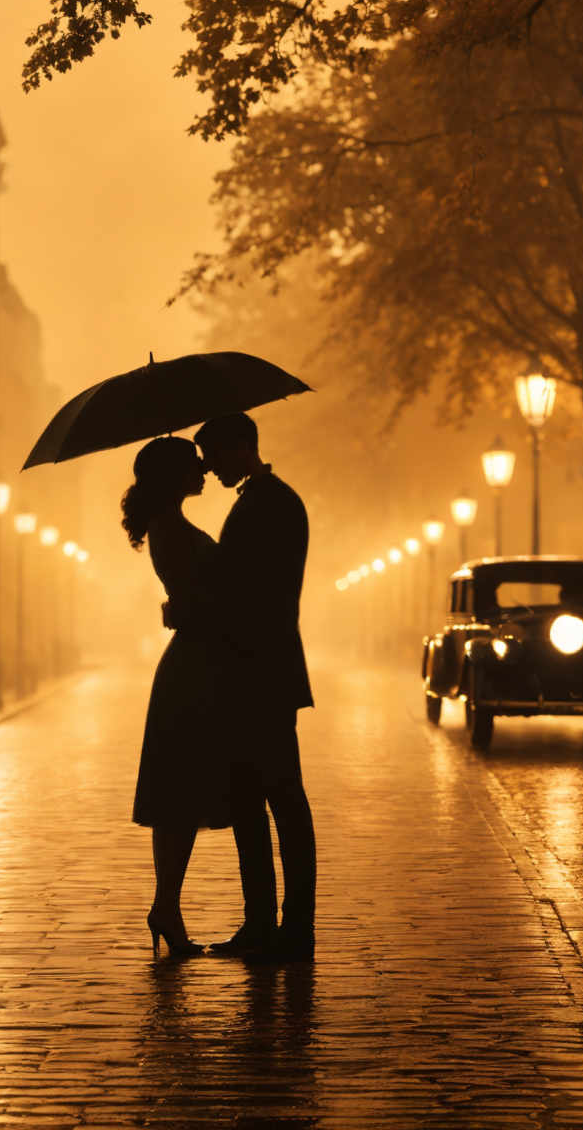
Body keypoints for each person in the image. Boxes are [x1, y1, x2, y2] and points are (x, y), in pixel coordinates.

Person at [193, 412, 317, 964]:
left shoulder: (268, 503)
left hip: (257, 669)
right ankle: (266, 921)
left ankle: (291, 925)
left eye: (213, 455)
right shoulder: (267, 499)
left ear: (240, 447)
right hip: (257, 667)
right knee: (252, 798)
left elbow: (250, 590)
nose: (209, 467)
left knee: (280, 798)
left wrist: (198, 599)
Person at [122, 435, 235, 959]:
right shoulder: (172, 528)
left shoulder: (167, 525)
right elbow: (197, 600)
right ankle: (166, 904)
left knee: (178, 796)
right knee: (179, 795)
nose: (205, 469)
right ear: (172, 475)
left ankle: (166, 905)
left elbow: (186, 597)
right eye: (194, 463)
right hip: (194, 668)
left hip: (192, 662)